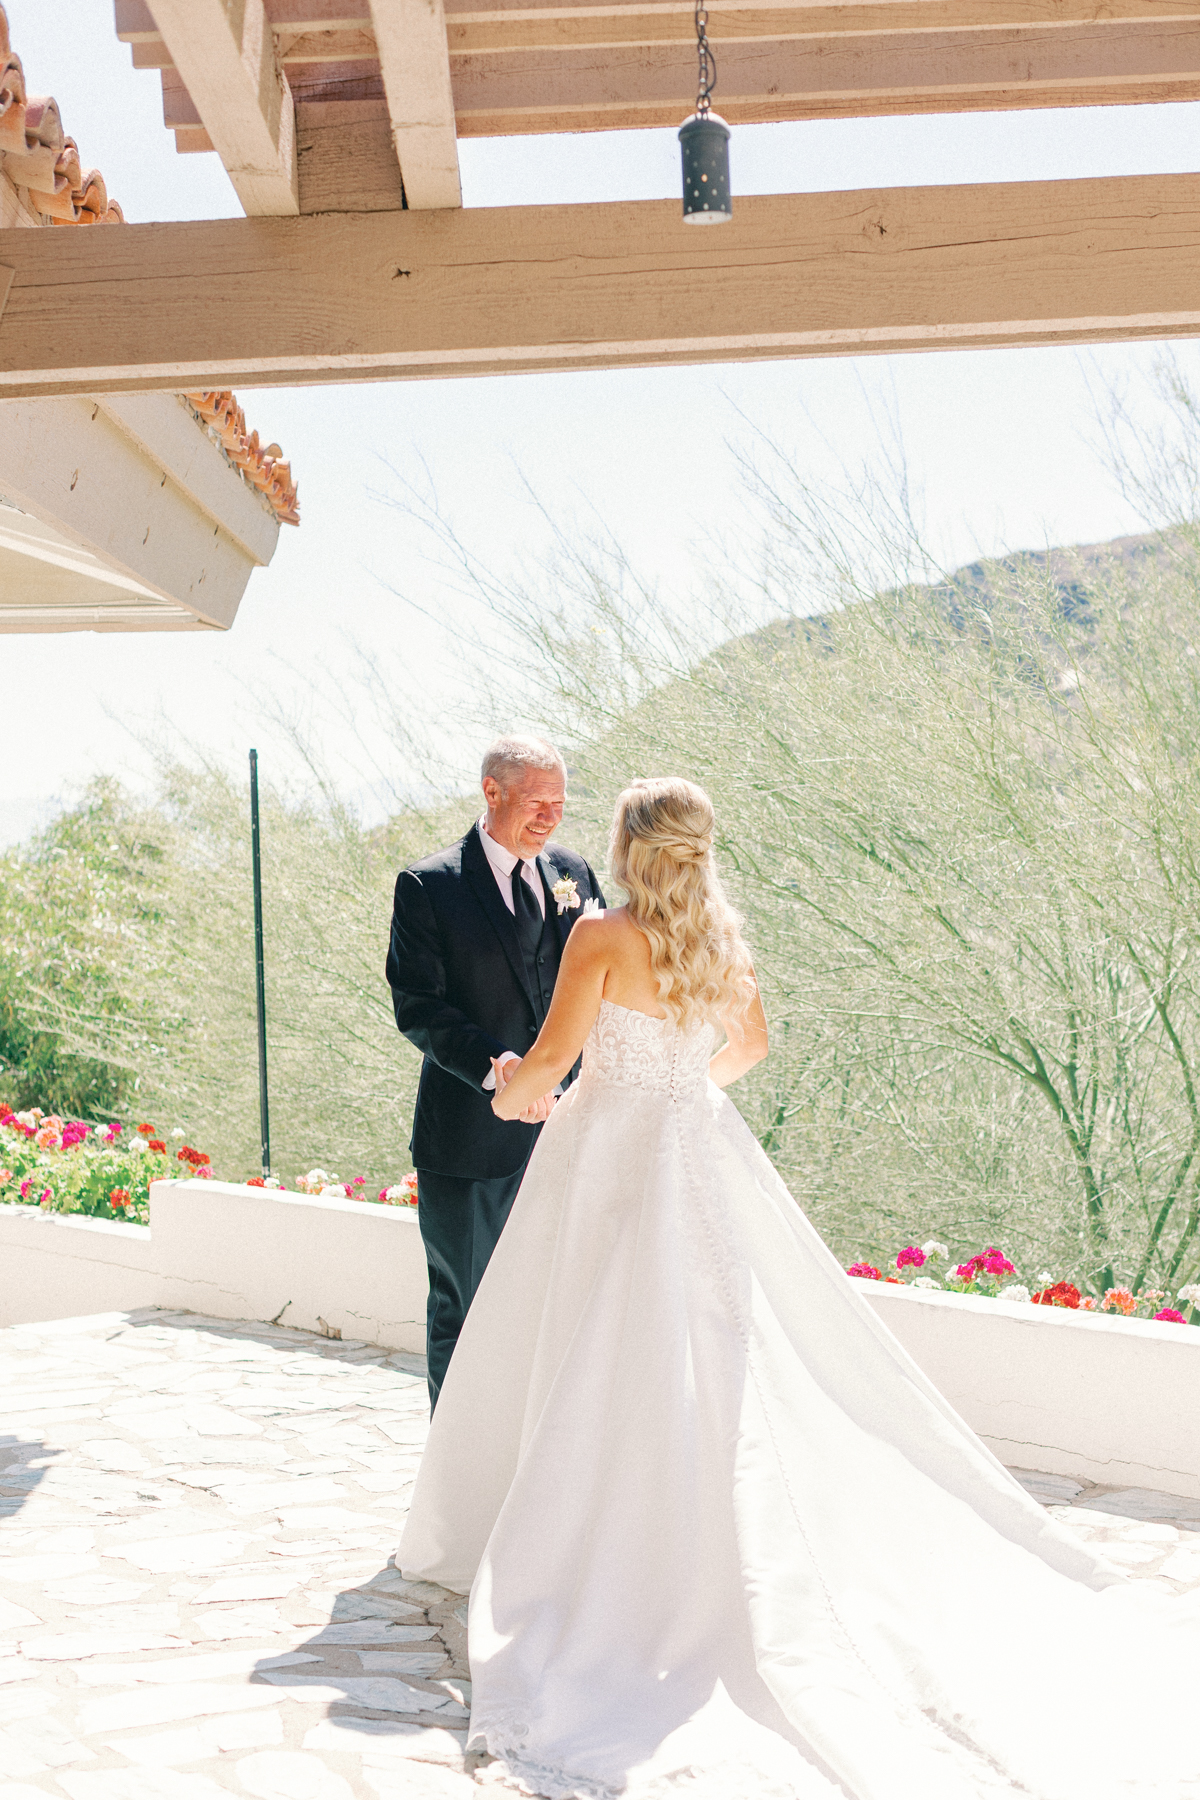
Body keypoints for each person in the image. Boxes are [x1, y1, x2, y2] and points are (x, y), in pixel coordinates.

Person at [398, 776, 1200, 1800]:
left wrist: (521, 1094)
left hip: (605, 1157)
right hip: (695, 1146)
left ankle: (605, 1558)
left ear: (629, 848)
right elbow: (751, 1047)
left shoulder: (598, 936)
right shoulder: (721, 942)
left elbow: (552, 1060)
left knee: (595, 1347)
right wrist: (677, 1092)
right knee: (714, 1355)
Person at [385, 735, 604, 1408]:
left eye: (559, 803)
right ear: (492, 792)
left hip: (569, 1135)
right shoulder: (430, 886)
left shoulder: (574, 872)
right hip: (469, 1140)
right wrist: (498, 1065)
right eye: (537, 801)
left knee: (558, 1311)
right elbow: (418, 1006)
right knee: (467, 1307)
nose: (549, 817)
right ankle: (454, 1470)